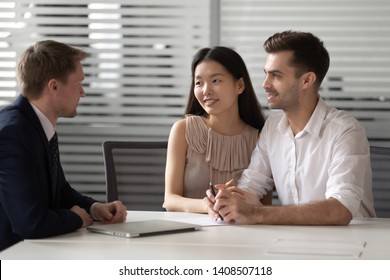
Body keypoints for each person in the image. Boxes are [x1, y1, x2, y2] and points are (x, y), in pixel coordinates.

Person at [207, 30, 376, 225]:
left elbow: (340, 209)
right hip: (293, 239)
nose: (265, 84)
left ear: (307, 80)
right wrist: (226, 201)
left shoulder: (345, 131)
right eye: (266, 74)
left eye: (276, 76)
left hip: (352, 242)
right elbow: (251, 186)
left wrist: (255, 213)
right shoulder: (272, 127)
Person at [0, 40, 127, 251]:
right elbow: (30, 222)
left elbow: (59, 191)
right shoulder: (12, 134)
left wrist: (94, 209)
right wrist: (75, 218)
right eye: (78, 85)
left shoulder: (35, 124)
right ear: (54, 86)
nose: (83, 93)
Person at [163, 46, 269, 213]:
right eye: (199, 82)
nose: (206, 90)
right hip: (189, 233)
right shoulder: (183, 130)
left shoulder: (260, 138)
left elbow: (264, 207)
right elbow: (170, 200)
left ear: (240, 85)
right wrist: (208, 206)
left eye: (216, 80)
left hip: (242, 233)